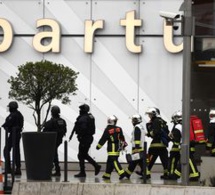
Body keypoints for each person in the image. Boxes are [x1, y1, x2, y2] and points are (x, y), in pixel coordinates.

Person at [70, 104, 101, 177]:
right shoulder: (90, 116)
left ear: (83, 110)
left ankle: (90, 168)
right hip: (88, 138)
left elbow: (83, 128)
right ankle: (90, 168)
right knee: (83, 154)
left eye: (81, 109)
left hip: (85, 138)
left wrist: (80, 136)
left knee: (81, 155)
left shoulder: (83, 118)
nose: (79, 111)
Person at [96, 115, 127, 180]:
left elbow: (103, 138)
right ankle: (107, 174)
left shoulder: (108, 129)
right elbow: (122, 137)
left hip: (112, 147)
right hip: (118, 146)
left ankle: (122, 173)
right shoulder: (119, 128)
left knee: (114, 161)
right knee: (110, 161)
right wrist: (123, 145)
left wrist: (98, 146)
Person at [145, 107, 169, 179]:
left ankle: (147, 173)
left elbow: (156, 132)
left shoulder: (155, 121)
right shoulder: (162, 121)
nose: (149, 116)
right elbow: (167, 132)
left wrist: (149, 134)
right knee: (165, 160)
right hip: (163, 145)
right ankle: (166, 174)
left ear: (155, 114)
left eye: (150, 114)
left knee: (150, 159)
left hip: (155, 144)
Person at [43, 105, 67, 176]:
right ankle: (56, 168)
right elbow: (64, 130)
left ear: (52, 112)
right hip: (59, 140)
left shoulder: (51, 121)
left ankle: (54, 168)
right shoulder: (62, 121)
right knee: (54, 153)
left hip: (52, 140)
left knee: (53, 154)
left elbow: (45, 130)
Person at [2, 101, 24, 175]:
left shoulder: (13, 115)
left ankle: (8, 168)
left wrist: (6, 126)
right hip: (17, 134)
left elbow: (7, 124)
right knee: (16, 151)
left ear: (12, 107)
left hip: (13, 134)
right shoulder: (20, 114)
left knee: (6, 150)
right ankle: (18, 168)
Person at [124, 114, 148, 179]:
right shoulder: (141, 127)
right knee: (137, 162)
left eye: (133, 120)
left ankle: (127, 174)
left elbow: (137, 138)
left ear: (135, 121)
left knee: (133, 162)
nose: (132, 122)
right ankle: (147, 174)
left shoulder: (137, 127)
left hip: (137, 148)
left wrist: (136, 148)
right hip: (141, 147)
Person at [167, 110, 182, 178]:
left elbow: (176, 138)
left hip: (177, 146)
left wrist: (171, 138)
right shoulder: (182, 125)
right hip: (179, 146)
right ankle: (173, 173)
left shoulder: (178, 126)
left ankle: (172, 174)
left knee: (173, 160)